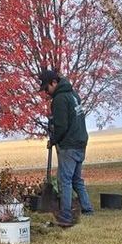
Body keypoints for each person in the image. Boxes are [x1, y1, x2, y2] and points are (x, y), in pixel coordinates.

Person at [40, 68, 91, 228]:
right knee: (77, 180)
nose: (46, 92)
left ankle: (66, 215)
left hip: (69, 145)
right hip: (81, 141)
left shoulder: (60, 99)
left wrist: (54, 139)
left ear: (53, 83)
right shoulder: (74, 95)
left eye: (46, 88)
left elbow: (61, 126)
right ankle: (88, 210)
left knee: (65, 181)